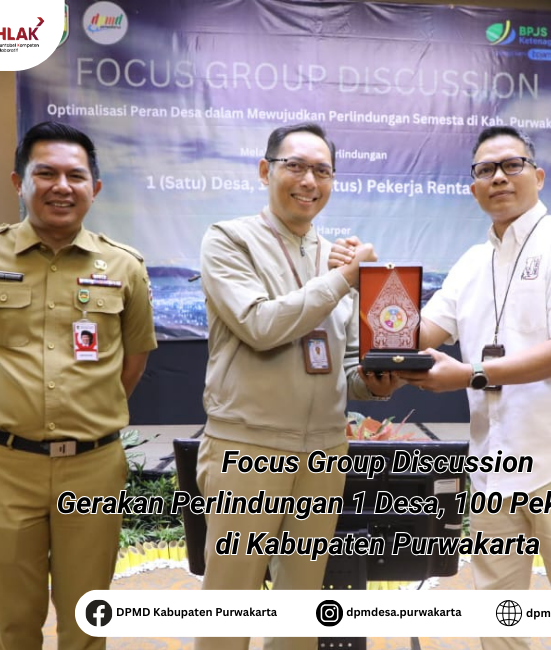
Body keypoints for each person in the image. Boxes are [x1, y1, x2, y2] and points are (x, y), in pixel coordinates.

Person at [348, 126, 551, 650]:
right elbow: (418, 335)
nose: (498, 178)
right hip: (493, 465)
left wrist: (470, 374)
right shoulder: (472, 263)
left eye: (512, 165)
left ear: (538, 176)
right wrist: (370, 290)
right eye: (485, 170)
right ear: (473, 188)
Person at [0, 121, 157, 650]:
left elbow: (132, 363)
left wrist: (84, 416)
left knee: (87, 619)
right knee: (12, 622)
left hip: (93, 467)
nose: (62, 186)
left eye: (76, 176)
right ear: (19, 182)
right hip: (3, 466)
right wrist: (5, 412)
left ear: (95, 188)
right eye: (46, 173)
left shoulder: (125, 267)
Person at [196, 122, 399, 650]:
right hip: (248, 446)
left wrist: (377, 380)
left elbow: (344, 367)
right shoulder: (229, 239)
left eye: (322, 171)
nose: (309, 180)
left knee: (300, 610)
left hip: (324, 451)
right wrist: (344, 280)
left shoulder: (337, 256)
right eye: (296, 166)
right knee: (229, 605)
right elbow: (260, 326)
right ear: (266, 171)